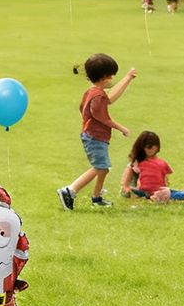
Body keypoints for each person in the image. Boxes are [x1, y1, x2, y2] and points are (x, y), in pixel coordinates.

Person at [58, 53, 135, 209]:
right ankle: (71, 191)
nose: (112, 79)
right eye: (112, 76)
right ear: (104, 77)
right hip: (94, 137)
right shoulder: (97, 96)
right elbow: (103, 118)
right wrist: (122, 128)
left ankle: (96, 196)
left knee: (102, 168)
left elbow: (110, 99)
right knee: (101, 167)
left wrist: (128, 78)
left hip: (93, 135)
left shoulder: (93, 92)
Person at [120, 131, 184, 202]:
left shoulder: (159, 162)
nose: (151, 151)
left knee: (167, 193)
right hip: (140, 191)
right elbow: (126, 182)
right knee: (140, 193)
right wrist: (127, 188)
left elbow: (164, 179)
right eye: (148, 148)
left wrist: (163, 188)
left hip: (155, 190)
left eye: (154, 149)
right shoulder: (136, 162)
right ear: (142, 147)